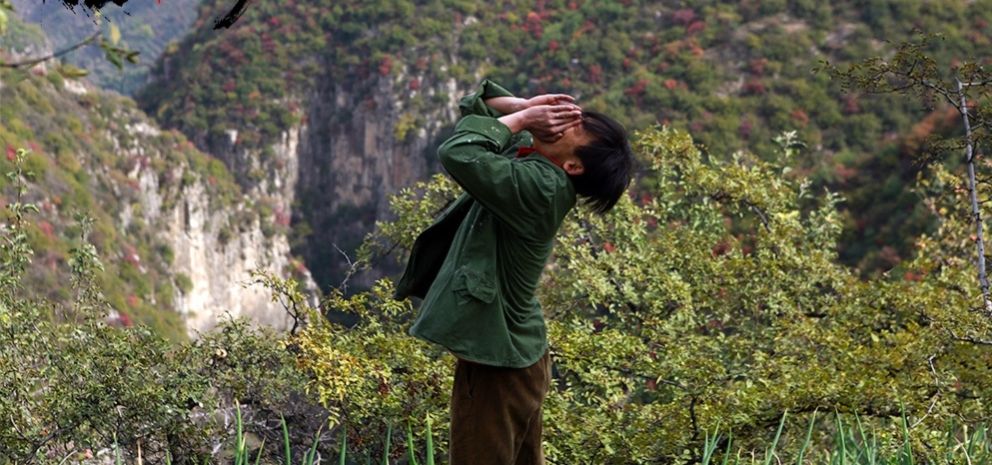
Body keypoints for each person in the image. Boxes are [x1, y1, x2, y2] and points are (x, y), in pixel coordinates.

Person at [394, 79, 634, 465]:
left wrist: (522, 118)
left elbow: (459, 151)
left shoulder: (541, 188)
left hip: (498, 362)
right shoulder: (541, 168)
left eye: (568, 128)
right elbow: (481, 108)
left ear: (573, 165)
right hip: (516, 355)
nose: (555, 125)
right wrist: (523, 106)